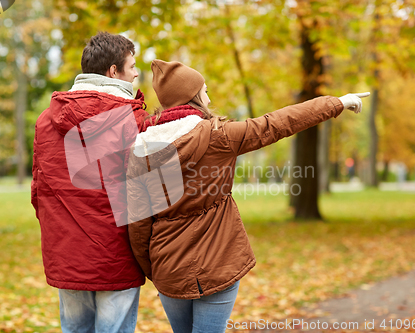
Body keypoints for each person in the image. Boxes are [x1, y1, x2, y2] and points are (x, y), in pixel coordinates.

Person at [127, 59, 369, 333]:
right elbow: (277, 123)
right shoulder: (218, 137)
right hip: (218, 263)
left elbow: (137, 225)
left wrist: (155, 270)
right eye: (204, 91)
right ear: (193, 98)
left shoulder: (141, 150)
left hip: (169, 269)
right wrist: (337, 102)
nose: (209, 97)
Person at [31, 32, 149, 333]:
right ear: (114, 71)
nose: (136, 73)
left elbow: (39, 190)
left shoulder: (46, 121)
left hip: (67, 250)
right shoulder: (133, 121)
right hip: (118, 254)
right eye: (132, 66)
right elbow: (149, 196)